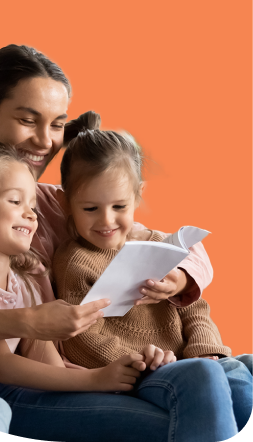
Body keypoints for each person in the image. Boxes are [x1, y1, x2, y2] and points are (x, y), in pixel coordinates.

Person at [0, 45, 221, 440]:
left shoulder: (54, 203)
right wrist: (29, 323)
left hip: (45, 373)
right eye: (28, 120)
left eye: (57, 125)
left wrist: (178, 274)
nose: (45, 141)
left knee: (219, 382)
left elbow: (157, 237)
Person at [53, 110, 253, 433]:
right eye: (90, 209)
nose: (106, 221)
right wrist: (141, 360)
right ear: (66, 204)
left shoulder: (160, 244)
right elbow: (81, 337)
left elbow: (195, 308)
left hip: (194, 359)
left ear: (138, 195)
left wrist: (205, 351)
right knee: (235, 392)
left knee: (243, 382)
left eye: (119, 207)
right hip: (147, 372)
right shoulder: (75, 261)